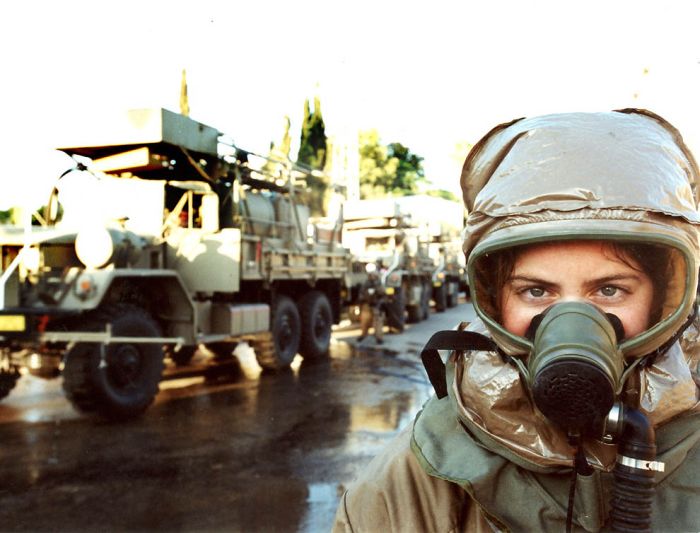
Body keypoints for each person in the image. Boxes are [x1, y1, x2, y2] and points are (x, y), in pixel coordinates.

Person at [333, 109, 700, 532]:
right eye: (536, 291)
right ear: (494, 301)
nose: (572, 321)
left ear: (665, 299)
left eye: (610, 289)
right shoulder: (412, 485)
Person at [357, 262, 387, 344]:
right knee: (364, 320)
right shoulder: (366, 283)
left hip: (376, 305)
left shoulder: (379, 282)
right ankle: (363, 335)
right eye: (370, 274)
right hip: (367, 304)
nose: (371, 276)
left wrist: (377, 292)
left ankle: (379, 338)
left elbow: (383, 293)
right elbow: (361, 293)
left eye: (373, 274)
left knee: (378, 322)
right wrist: (363, 299)